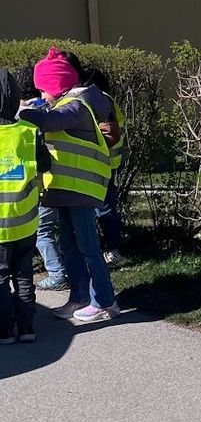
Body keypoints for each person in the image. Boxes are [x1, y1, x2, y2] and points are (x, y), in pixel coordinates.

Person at [18, 48, 120, 323]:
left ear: (57, 85)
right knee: (69, 246)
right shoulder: (63, 104)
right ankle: (79, 297)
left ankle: (104, 301)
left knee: (88, 246)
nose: (41, 97)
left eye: (43, 90)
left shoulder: (77, 106)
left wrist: (20, 112)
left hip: (81, 190)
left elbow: (51, 121)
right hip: (63, 189)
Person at [0, 70, 52, 342]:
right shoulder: (28, 132)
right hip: (25, 220)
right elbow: (45, 164)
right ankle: (27, 327)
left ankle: (5, 329)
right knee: (23, 275)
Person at [14, 66, 69, 292]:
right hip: (54, 179)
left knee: (42, 230)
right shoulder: (49, 109)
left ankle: (57, 273)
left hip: (40, 185)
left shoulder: (24, 117)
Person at [84, 67, 126, 265]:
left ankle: (111, 249)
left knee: (104, 210)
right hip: (107, 162)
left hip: (102, 163)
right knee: (104, 209)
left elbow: (107, 133)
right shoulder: (105, 99)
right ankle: (109, 248)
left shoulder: (100, 101)